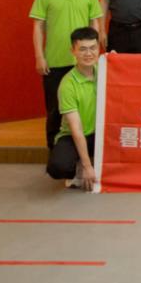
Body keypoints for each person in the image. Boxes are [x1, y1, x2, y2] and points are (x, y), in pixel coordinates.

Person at [30, 0, 102, 149]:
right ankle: (54, 153)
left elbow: (95, 23)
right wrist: (39, 56)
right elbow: (38, 27)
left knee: (90, 107)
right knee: (55, 110)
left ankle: (87, 153)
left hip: (85, 62)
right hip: (55, 61)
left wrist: (95, 54)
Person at [46, 27, 101, 191]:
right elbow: (76, 130)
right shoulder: (67, 85)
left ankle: (91, 160)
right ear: (73, 51)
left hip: (99, 134)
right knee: (58, 167)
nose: (88, 53)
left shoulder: (104, 71)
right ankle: (80, 164)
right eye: (82, 49)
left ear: (99, 48)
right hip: (72, 135)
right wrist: (87, 166)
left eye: (92, 48)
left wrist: (117, 61)